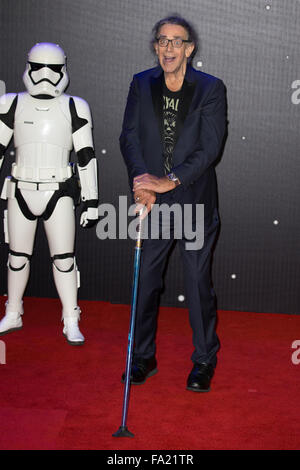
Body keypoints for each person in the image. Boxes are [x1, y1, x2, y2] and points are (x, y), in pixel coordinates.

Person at [120, 16, 227, 391]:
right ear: (155, 46)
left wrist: (167, 181)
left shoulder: (211, 89)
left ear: (190, 48)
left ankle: (203, 360)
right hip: (152, 202)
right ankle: (143, 358)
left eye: (176, 42)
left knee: (197, 282)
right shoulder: (140, 83)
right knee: (146, 279)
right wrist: (142, 182)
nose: (168, 48)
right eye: (162, 41)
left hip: (193, 200)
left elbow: (209, 148)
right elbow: (129, 137)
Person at [0, 42, 98, 345]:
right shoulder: (10, 103)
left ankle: (71, 317)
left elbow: (85, 156)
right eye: (38, 67)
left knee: (65, 259)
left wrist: (92, 201)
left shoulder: (74, 106)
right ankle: (13, 311)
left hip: (59, 191)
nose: (45, 75)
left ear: (63, 70)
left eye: (53, 69)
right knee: (17, 257)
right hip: (21, 189)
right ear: (28, 67)